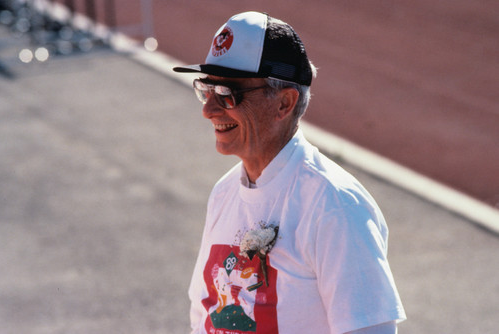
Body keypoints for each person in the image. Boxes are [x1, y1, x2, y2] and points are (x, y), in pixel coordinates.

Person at [173, 11, 406, 334]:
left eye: (227, 94)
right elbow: (203, 315)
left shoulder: (335, 205)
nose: (208, 109)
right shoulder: (224, 193)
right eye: (206, 89)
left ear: (284, 103)